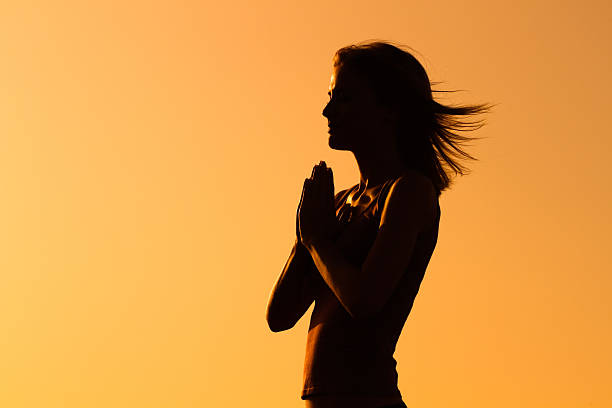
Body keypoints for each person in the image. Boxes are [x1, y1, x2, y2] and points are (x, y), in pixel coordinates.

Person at [266, 40, 493, 408]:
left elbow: (365, 300)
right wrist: (303, 239)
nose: (327, 111)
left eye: (344, 99)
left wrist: (317, 241)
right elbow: (279, 316)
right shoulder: (339, 205)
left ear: (389, 111)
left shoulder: (409, 192)